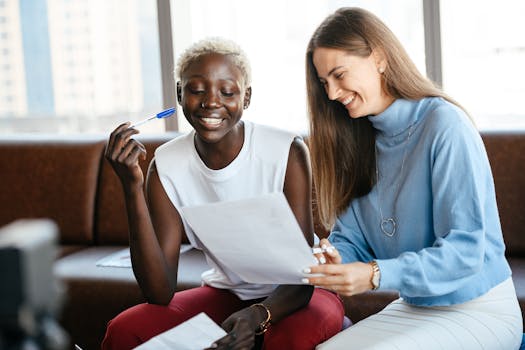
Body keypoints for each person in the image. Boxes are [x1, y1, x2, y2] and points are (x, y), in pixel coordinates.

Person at [301, 7, 523, 350]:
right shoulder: (356, 141)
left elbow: (465, 251)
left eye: (339, 74)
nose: (331, 93)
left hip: (480, 309)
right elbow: (352, 241)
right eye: (323, 82)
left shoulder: (445, 126)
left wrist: (375, 274)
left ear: (379, 58)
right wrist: (332, 260)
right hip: (415, 306)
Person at [102, 37, 344, 350]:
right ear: (179, 93)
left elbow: (301, 277)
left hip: (302, 293)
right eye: (196, 89)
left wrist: (258, 315)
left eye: (227, 91)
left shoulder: (287, 151)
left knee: (286, 340)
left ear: (246, 97)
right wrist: (130, 186)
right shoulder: (165, 164)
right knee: (125, 330)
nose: (211, 102)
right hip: (229, 293)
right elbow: (158, 292)